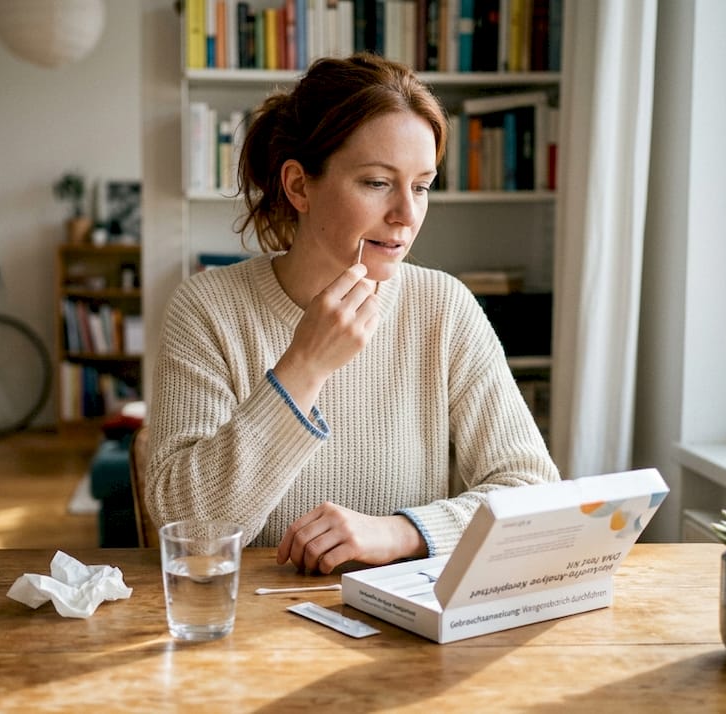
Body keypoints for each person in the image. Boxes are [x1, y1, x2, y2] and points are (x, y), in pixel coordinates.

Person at [146, 53, 559, 575]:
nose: (407, 216)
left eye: (422, 186)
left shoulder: (445, 308)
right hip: (249, 629)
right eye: (376, 182)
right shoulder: (208, 308)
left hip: (406, 633)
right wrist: (304, 366)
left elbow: (534, 493)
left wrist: (401, 532)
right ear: (299, 186)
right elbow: (189, 533)